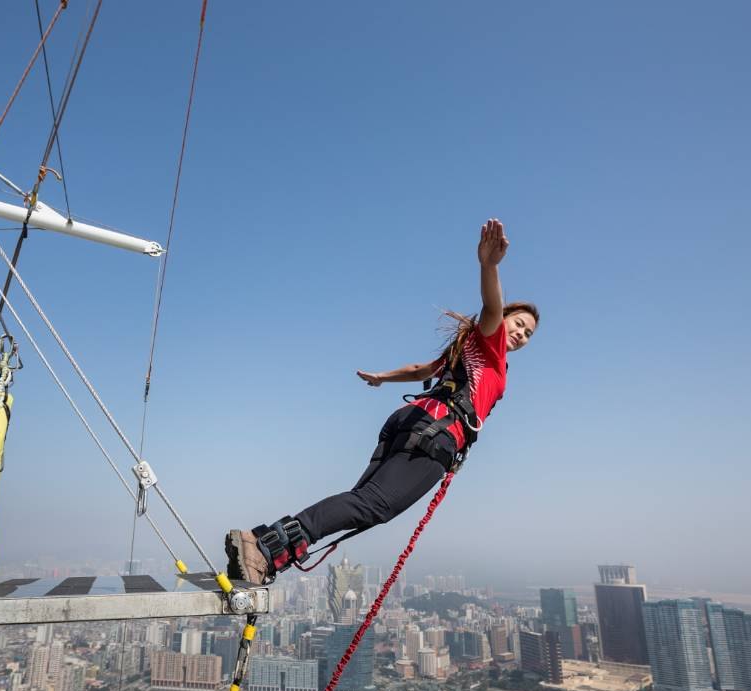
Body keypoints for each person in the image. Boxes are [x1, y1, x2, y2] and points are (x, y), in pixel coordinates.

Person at [225, 218, 539, 585]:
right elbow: (490, 307)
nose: (520, 334)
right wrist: (489, 266)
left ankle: (270, 550)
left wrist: (382, 377)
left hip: (411, 423)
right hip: (435, 434)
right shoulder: (491, 348)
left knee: (364, 501)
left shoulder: (465, 348)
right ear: (504, 320)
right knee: (375, 504)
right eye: (517, 324)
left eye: (528, 334)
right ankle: (263, 546)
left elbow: (421, 368)